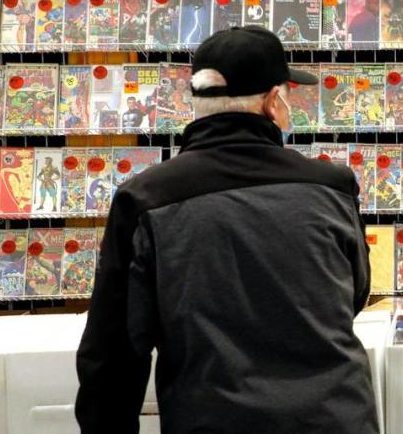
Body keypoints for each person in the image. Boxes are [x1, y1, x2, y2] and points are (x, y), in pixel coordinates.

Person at [76, 26, 379, 434]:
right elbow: (355, 293)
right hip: (332, 418)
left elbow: (113, 354)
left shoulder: (144, 199)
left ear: (197, 105)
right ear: (273, 103)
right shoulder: (332, 187)